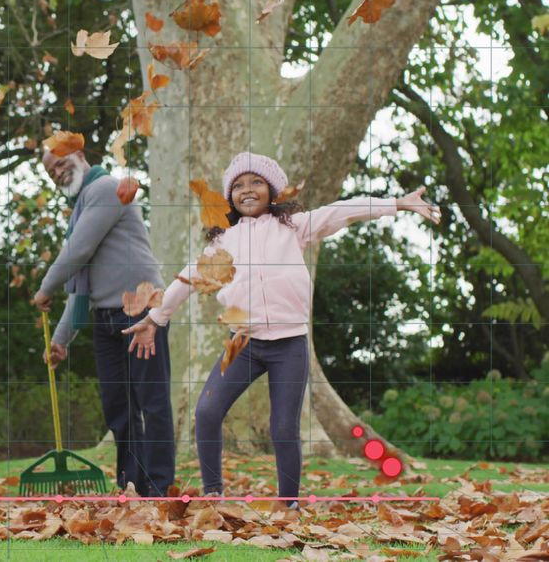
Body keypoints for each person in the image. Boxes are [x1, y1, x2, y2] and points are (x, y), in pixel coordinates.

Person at [123, 152, 441, 509]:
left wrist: (397, 204)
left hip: (289, 345)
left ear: (271, 191)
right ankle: (213, 495)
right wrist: (156, 318)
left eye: (256, 182)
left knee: (283, 427)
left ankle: (288, 503)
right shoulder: (222, 243)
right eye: (239, 185)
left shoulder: (295, 226)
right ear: (229, 196)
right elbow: (187, 279)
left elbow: (342, 210)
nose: (247, 190)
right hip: (242, 344)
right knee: (207, 412)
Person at [31, 147, 175, 497]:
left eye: (60, 163)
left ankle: (159, 489)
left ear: (79, 155)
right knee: (119, 407)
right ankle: (130, 485)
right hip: (105, 319)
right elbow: (82, 285)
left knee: (151, 402)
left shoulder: (107, 188)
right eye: (51, 172)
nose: (58, 173)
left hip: (141, 311)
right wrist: (61, 339)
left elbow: (77, 251)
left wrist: (45, 287)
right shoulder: (81, 207)